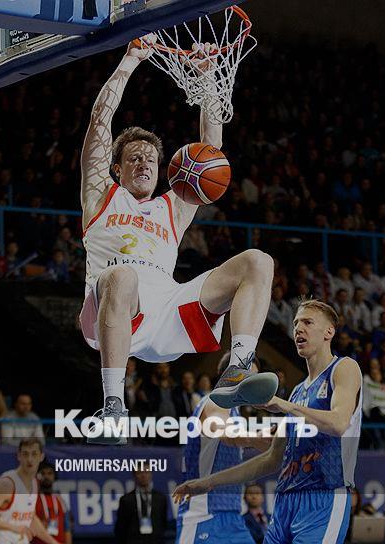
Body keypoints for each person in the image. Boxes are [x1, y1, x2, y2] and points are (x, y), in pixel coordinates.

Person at [78, 37, 278, 443]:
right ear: (116, 168)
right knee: (122, 274)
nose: (144, 163)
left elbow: (211, 151)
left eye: (151, 159)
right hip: (115, 312)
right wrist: (131, 60)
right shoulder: (101, 195)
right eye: (134, 157)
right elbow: (100, 121)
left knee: (258, 261)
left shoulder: (173, 206)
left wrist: (207, 79)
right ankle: (114, 407)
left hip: (168, 310)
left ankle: (238, 367)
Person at [174, 300, 363, 544]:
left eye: (307, 322)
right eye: (296, 323)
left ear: (329, 332)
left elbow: (339, 423)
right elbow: (272, 458)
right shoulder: (297, 392)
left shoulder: (344, 367)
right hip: (285, 501)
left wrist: (283, 406)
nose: (298, 328)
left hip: (323, 496)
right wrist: (209, 482)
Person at [175, 355, 270, 543]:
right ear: (227, 375)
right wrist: (254, 438)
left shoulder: (236, 414)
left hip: (234, 516)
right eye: (248, 376)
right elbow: (226, 433)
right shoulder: (213, 403)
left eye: (256, 377)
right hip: (203, 516)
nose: (253, 384)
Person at [0, 439, 60, 544]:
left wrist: (53, 542)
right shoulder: (6, 484)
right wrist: (12, 528)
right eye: (25, 454)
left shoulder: (35, 483)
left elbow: (30, 517)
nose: (30, 459)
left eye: (34, 454)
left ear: (41, 457)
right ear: (18, 456)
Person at [114, 469, 168, 543]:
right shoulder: (126, 500)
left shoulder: (160, 498)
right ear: (134, 475)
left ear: (151, 474)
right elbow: (120, 528)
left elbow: (163, 523)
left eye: (146, 472)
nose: (143, 475)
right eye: (140, 473)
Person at [32, 463, 72, 544]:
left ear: (54, 476)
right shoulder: (32, 499)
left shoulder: (60, 501)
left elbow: (67, 529)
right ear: (37, 476)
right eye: (43, 473)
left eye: (50, 473)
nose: (46, 476)